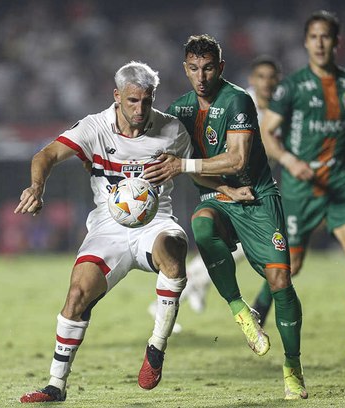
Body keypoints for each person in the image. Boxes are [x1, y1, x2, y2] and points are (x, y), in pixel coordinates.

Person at [16, 61, 252, 403]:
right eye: (132, 101)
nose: (140, 109)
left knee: (173, 254)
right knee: (77, 297)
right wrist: (36, 187)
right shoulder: (95, 127)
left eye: (146, 100)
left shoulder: (172, 130)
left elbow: (196, 173)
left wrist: (228, 191)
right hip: (107, 228)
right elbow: (47, 154)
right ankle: (55, 386)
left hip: (156, 222)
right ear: (117, 96)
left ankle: (156, 348)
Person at [144, 35, 307, 400]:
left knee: (281, 280)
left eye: (208, 67)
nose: (201, 76)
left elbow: (236, 159)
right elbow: (182, 164)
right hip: (219, 195)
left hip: (258, 197)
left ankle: (292, 368)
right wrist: (224, 190)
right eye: (193, 69)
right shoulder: (180, 110)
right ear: (185, 69)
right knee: (201, 225)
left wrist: (186, 166)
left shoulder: (238, 100)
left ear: (220, 67)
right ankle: (240, 309)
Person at [258, 10, 345, 363]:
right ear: (305, 42)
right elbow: (267, 132)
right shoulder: (291, 87)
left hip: (342, 184)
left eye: (325, 36)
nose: (319, 43)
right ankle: (257, 311)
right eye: (313, 36)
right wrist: (288, 161)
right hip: (302, 187)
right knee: (291, 266)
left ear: (336, 42)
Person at [149, 55, 283, 331]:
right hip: (221, 182)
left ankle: (197, 285)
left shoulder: (279, 109)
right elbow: (244, 151)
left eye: (272, 79)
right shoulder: (241, 104)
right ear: (252, 83)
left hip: (248, 186)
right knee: (237, 243)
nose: (267, 84)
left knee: (241, 248)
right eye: (261, 79)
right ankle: (177, 295)